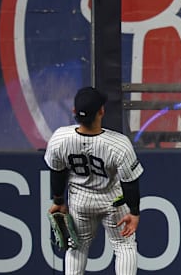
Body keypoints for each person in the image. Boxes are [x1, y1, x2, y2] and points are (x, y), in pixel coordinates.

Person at [44, 86, 144, 275]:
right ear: (101, 111)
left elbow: (57, 172)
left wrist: (58, 200)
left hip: (80, 201)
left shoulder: (60, 138)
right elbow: (129, 183)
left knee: (77, 247)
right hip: (113, 201)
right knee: (124, 246)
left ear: (74, 112)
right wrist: (134, 212)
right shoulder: (119, 143)